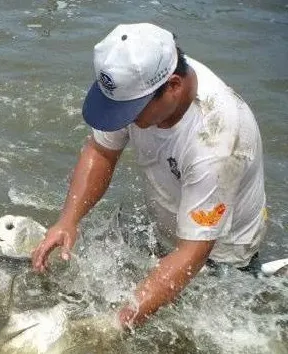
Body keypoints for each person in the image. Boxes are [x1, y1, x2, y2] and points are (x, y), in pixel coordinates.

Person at [31, 23, 266, 329]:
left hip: (219, 255)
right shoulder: (137, 79)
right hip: (170, 227)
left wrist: (118, 322)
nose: (123, 120)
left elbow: (192, 253)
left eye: (131, 111)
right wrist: (68, 220)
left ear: (174, 86)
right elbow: (102, 151)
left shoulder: (216, 142)